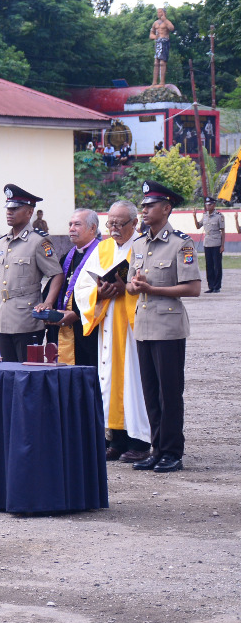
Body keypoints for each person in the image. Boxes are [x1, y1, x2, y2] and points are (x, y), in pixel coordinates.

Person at [126, 181, 201, 473]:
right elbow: (134, 287)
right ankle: (156, 449)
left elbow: (193, 288)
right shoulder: (139, 243)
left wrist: (152, 288)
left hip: (168, 327)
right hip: (143, 324)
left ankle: (172, 452)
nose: (144, 210)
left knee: (169, 393)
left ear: (166, 208)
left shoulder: (181, 243)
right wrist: (133, 286)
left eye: (150, 205)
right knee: (150, 392)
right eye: (143, 205)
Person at [74, 200, 152, 463]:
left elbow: (151, 280)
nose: (114, 229)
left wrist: (127, 287)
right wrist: (99, 291)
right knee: (109, 379)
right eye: (111, 224)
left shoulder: (143, 245)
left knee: (135, 381)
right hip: (108, 323)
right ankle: (116, 438)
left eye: (120, 223)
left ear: (134, 223)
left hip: (133, 324)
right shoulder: (103, 248)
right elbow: (82, 285)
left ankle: (140, 440)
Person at [0, 184, 64, 363]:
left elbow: (56, 274)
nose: (9, 212)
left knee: (28, 373)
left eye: (15, 208)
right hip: (4, 319)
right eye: (8, 208)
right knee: (9, 372)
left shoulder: (38, 241)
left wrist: (48, 302)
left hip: (27, 320)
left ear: (29, 212)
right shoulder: (2, 243)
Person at [49, 209, 100, 367]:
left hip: (89, 328)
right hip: (65, 326)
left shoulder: (101, 254)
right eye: (70, 224)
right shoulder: (67, 256)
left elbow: (101, 291)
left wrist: (77, 313)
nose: (71, 228)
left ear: (92, 228)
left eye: (77, 224)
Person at [193, 198, 225, 293]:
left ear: (214, 205)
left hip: (216, 243)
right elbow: (198, 226)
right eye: (207, 204)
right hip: (207, 243)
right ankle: (211, 286)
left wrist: (222, 245)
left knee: (217, 265)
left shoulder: (219, 216)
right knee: (209, 265)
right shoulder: (205, 215)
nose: (208, 206)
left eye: (210, 204)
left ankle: (217, 286)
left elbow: (223, 231)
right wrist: (194, 217)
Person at [150, 7, 174, 87]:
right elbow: (151, 34)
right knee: (156, 62)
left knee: (162, 62)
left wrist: (165, 20)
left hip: (164, 42)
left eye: (160, 12)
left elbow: (171, 28)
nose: (158, 14)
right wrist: (155, 37)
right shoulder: (155, 23)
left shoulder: (167, 22)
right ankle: (154, 82)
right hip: (158, 43)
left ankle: (162, 82)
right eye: (158, 12)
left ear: (164, 13)